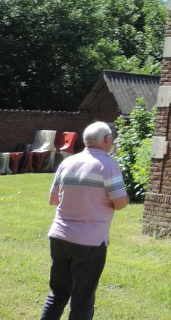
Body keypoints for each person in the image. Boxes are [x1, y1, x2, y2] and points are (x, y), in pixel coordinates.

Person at [40, 121, 129, 320]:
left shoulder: (67, 162)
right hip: (90, 243)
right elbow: (120, 203)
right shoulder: (108, 165)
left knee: (57, 294)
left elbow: (53, 200)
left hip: (59, 237)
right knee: (82, 301)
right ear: (107, 140)